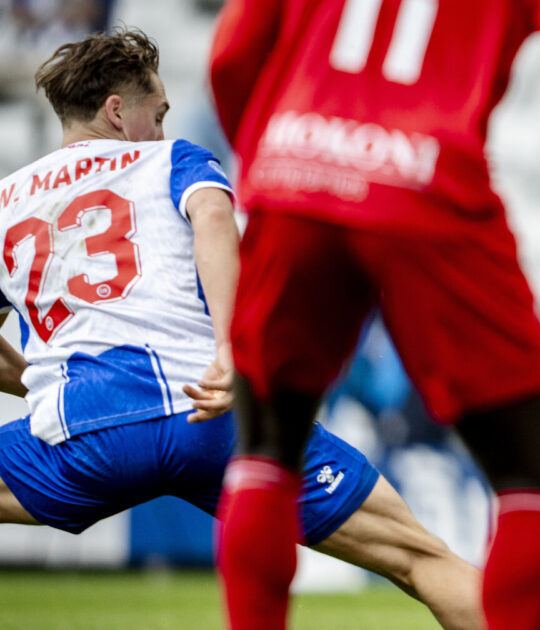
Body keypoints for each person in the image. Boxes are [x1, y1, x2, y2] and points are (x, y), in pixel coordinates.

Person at [0, 28, 482, 630]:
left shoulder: (7, 202)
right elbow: (212, 214)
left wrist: (38, 387)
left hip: (83, 438)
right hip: (212, 412)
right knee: (419, 557)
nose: (164, 127)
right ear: (118, 112)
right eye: (160, 112)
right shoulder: (172, 159)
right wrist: (230, 349)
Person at [207, 0, 540, 628]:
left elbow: (230, 52)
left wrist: (272, 162)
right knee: (529, 475)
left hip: (293, 173)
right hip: (427, 179)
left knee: (267, 454)